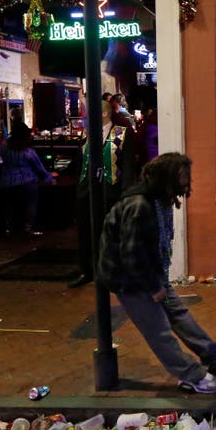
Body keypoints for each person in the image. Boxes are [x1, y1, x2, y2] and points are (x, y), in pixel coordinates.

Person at [98, 153, 216, 394]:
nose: (187, 183)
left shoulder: (159, 199)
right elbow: (131, 255)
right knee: (159, 329)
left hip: (151, 273)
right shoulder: (140, 205)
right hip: (130, 280)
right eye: (183, 177)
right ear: (168, 178)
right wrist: (154, 288)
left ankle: (213, 354)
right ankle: (192, 375)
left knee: (179, 314)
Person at [69, 96, 140, 288]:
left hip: (111, 190)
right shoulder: (87, 133)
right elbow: (80, 163)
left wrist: (126, 192)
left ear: (105, 113)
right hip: (87, 191)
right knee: (85, 233)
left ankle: (111, 272)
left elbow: (128, 165)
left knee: (110, 232)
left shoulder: (122, 133)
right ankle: (87, 271)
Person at [0, 113, 54, 236]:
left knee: (9, 206)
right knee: (31, 203)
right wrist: (49, 178)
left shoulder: (4, 146)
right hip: (26, 182)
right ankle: (28, 228)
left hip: (6, 181)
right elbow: (39, 168)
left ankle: (8, 228)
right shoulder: (28, 151)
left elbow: (0, 153)